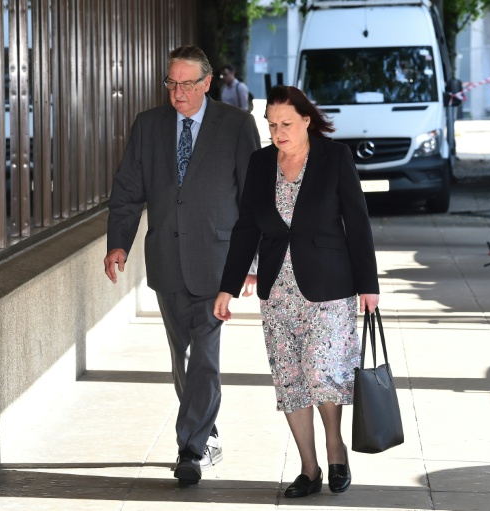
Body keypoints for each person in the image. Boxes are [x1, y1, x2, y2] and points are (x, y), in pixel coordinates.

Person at [103, 45, 261, 485]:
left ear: (207, 83)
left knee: (205, 355)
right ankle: (204, 428)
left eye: (187, 84)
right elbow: (129, 189)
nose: (178, 93)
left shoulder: (236, 125)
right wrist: (119, 243)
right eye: (171, 83)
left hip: (218, 261)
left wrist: (252, 262)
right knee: (184, 355)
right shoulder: (148, 126)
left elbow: (253, 197)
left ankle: (190, 448)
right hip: (167, 261)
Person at [213, 85, 380, 498]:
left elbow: (357, 224)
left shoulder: (334, 158)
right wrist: (227, 287)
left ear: (307, 120)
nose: (278, 131)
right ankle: (309, 469)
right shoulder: (260, 163)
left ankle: (335, 449)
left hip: (328, 287)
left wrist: (368, 286)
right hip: (278, 290)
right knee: (290, 381)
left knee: (323, 373)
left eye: (286, 123)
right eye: (271, 125)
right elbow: (247, 228)